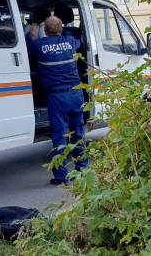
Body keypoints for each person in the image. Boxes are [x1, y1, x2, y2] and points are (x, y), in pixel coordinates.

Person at [26, 16, 89, 185]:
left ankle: (62, 178)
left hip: (57, 97)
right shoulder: (70, 42)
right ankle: (83, 171)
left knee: (59, 137)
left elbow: (27, 45)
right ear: (61, 29)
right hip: (76, 94)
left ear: (44, 31)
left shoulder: (38, 45)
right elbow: (76, 40)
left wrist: (32, 32)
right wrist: (61, 29)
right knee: (79, 133)